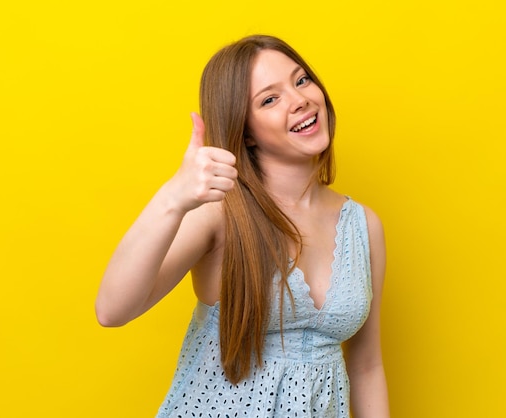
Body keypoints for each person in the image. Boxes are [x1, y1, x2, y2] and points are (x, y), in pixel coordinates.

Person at [96, 34, 390, 417]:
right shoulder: (221, 212)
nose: (300, 99)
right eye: (270, 99)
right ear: (246, 131)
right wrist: (173, 198)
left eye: (301, 80)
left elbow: (367, 366)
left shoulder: (362, 226)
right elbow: (112, 310)